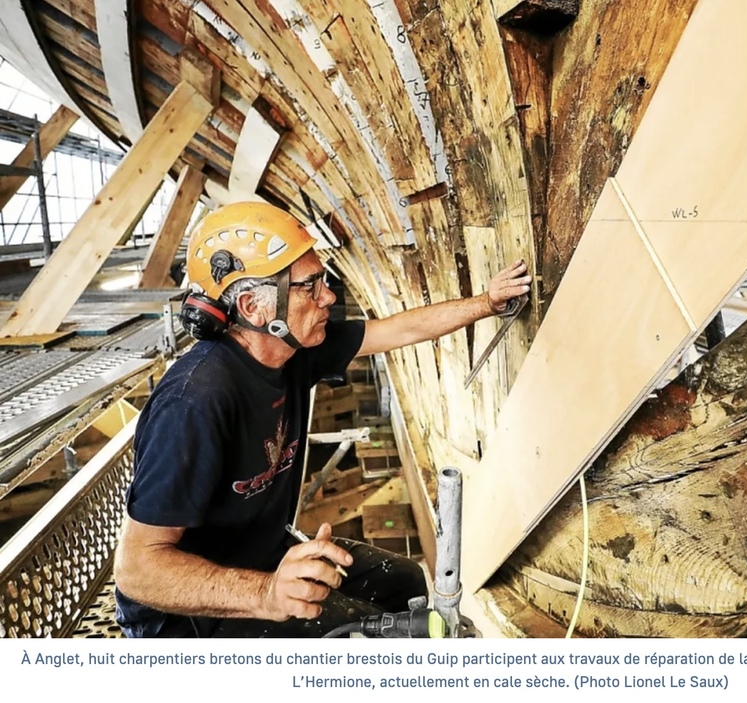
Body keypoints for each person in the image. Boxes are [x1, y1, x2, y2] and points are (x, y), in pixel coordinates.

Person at [113, 201, 530, 637]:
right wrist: (267, 594)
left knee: (405, 581)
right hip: (188, 615)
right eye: (309, 287)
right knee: (363, 637)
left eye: (323, 281)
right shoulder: (194, 403)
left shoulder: (293, 349)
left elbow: (398, 330)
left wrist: (486, 302)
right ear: (254, 307)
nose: (328, 296)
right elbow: (137, 571)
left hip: (262, 555)